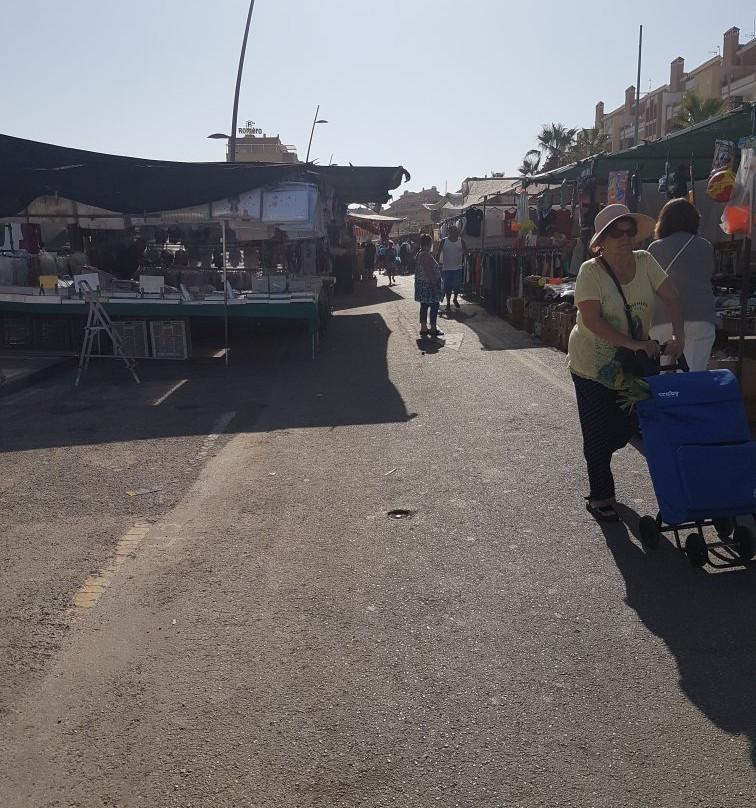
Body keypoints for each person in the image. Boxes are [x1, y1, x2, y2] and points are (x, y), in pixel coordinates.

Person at [567, 204, 684, 523]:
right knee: (596, 434)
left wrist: (679, 336)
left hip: (632, 367)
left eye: (629, 231)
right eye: (615, 233)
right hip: (591, 365)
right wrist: (633, 342)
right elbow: (590, 319)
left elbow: (672, 297)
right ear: (601, 242)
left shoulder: (646, 262)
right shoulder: (591, 271)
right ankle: (600, 496)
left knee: (627, 427)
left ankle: (608, 452)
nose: (624, 238)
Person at [647, 198, 716, 372]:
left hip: (661, 318)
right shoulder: (706, 247)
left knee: (663, 376)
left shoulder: (654, 248)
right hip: (700, 318)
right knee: (692, 376)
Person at [414, 234, 444, 338]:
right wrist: (435, 284)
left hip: (422, 284)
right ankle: (433, 328)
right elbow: (428, 271)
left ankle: (424, 327)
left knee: (424, 305)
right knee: (434, 305)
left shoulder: (420, 253)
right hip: (428, 285)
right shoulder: (425, 255)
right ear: (429, 243)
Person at [435, 225, 466, 314]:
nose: (454, 234)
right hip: (446, 268)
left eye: (455, 232)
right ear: (449, 232)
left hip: (458, 268)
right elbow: (438, 253)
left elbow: (466, 252)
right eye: (452, 232)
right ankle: (448, 303)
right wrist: (436, 264)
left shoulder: (461, 241)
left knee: (456, 286)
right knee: (447, 287)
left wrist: (470, 264)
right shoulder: (444, 241)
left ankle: (455, 299)